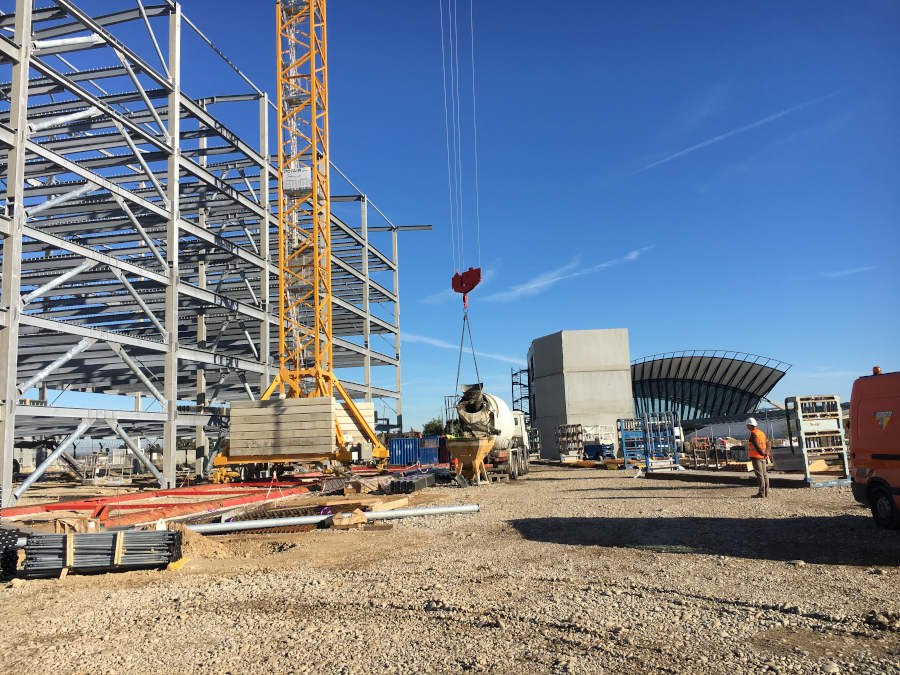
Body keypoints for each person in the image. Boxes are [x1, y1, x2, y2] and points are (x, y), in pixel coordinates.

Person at [746, 417, 769, 498]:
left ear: (750, 425)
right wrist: (766, 453)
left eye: (747, 425)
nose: (746, 426)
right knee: (764, 475)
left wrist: (762, 453)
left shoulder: (753, 433)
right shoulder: (761, 433)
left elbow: (756, 445)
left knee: (759, 475)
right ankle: (766, 492)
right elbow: (768, 443)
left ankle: (761, 493)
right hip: (763, 456)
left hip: (756, 457)